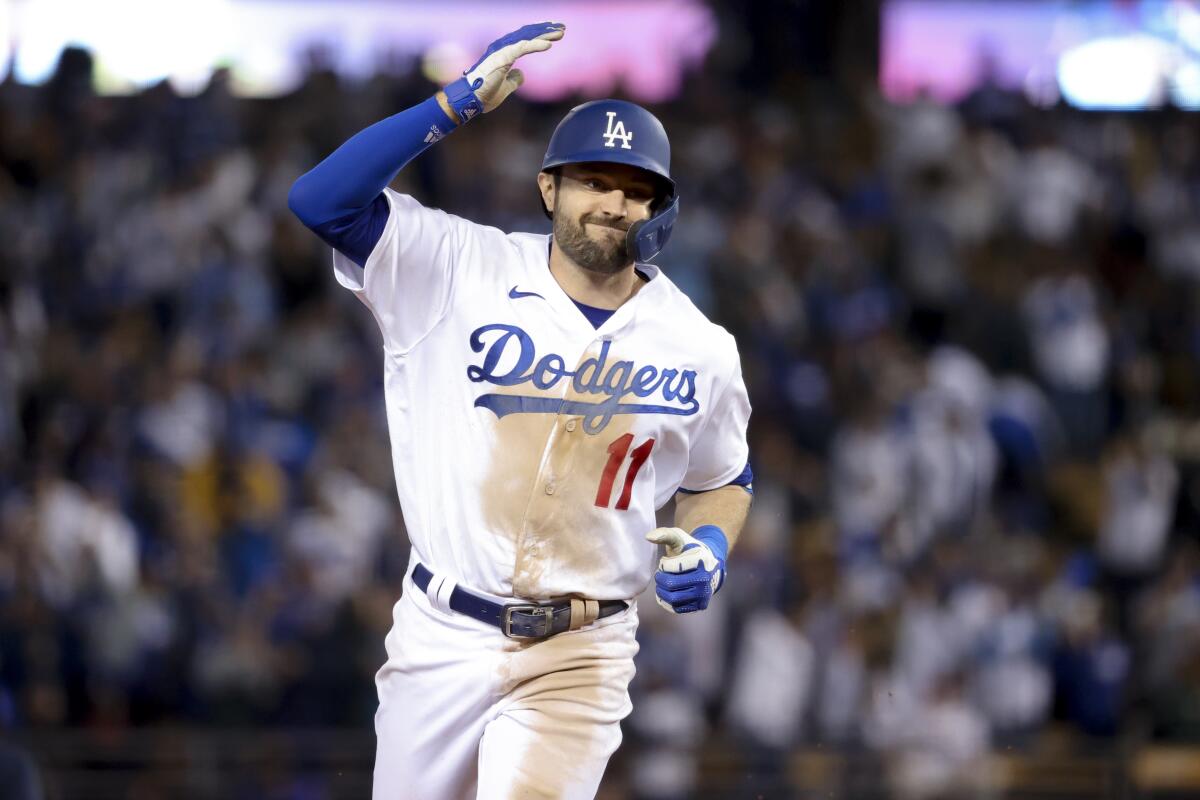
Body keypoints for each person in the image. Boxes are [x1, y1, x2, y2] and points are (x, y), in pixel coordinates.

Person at [288, 22, 753, 799]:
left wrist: (709, 543)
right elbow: (320, 201)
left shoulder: (699, 345)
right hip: (440, 635)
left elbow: (726, 477)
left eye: (636, 189)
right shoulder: (456, 266)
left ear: (661, 209)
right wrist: (455, 103)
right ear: (549, 189)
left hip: (583, 647)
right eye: (594, 182)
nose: (614, 203)